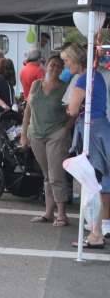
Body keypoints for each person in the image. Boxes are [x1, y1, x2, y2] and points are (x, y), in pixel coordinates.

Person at [62, 44, 110, 248]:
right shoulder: (96, 75)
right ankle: (98, 230)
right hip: (100, 128)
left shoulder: (83, 79)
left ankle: (96, 233)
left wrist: (71, 109)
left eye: (66, 61)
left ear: (74, 60)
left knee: (92, 182)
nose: (65, 65)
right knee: (100, 181)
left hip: (92, 131)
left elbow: (71, 110)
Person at [20, 54, 71, 227]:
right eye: (52, 65)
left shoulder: (65, 88)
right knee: (47, 174)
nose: (55, 68)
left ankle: (62, 215)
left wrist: (66, 129)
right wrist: (23, 134)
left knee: (56, 174)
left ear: (62, 69)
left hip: (56, 134)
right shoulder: (36, 85)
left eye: (59, 66)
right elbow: (27, 110)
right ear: (46, 66)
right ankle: (49, 213)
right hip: (36, 134)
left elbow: (74, 111)